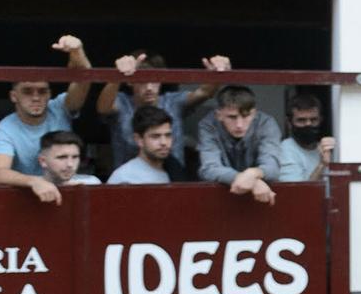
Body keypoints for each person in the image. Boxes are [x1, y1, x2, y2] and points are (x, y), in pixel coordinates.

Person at [0, 35, 94, 188]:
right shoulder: (4, 130)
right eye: (28, 91)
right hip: (26, 196)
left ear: (49, 94)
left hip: (66, 187)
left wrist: (77, 51)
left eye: (42, 91)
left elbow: (84, 79)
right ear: (13, 96)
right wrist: (35, 182)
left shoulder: (59, 107)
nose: (36, 97)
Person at [97, 50, 226, 169]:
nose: (149, 87)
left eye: (154, 81)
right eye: (142, 81)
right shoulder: (122, 102)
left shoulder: (173, 102)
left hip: (172, 180)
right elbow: (103, 108)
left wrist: (219, 70)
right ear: (129, 82)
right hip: (129, 183)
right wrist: (117, 76)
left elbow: (204, 92)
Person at [196, 85, 282, 204]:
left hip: (259, 201)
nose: (239, 124)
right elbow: (209, 169)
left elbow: (273, 167)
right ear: (218, 115)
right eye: (232, 117)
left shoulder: (266, 123)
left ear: (254, 113)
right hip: (219, 200)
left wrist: (252, 173)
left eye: (246, 116)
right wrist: (252, 181)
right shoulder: (208, 125)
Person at [108, 104, 190, 184]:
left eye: (168, 135)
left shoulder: (176, 170)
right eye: (155, 136)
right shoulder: (124, 178)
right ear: (139, 139)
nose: (164, 142)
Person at [13, 131, 100, 200]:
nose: (70, 164)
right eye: (62, 157)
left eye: (75, 157)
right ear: (43, 161)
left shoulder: (92, 183)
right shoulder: (28, 188)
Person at [275, 90, 336, 183]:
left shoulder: (325, 147)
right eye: (301, 120)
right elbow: (299, 192)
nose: (308, 124)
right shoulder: (286, 149)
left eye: (314, 120)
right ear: (289, 123)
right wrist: (322, 165)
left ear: (321, 120)